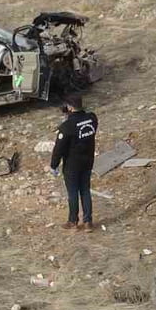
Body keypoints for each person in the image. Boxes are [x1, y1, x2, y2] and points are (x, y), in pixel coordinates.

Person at [49, 93, 98, 231]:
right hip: (88, 161)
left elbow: (59, 148)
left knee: (73, 193)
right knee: (85, 191)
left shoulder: (66, 126)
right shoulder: (92, 118)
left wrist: (54, 165)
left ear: (69, 107)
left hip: (72, 165)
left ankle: (73, 221)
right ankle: (88, 222)